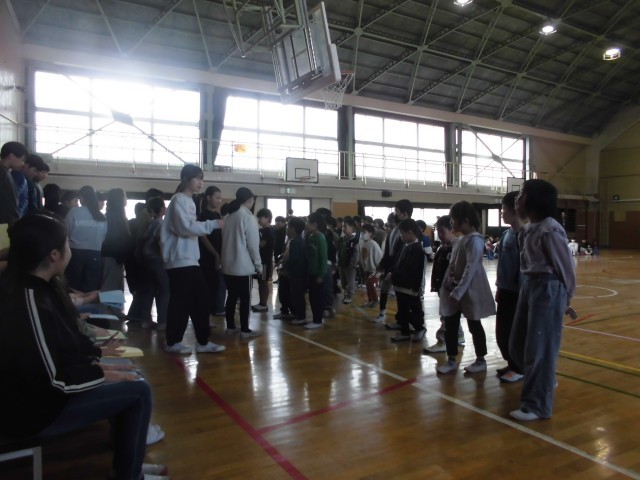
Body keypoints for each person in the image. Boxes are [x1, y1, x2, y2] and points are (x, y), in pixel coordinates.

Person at [0, 214, 168, 480]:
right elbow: (51, 382)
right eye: (68, 243)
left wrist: (97, 355)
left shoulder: (40, 287)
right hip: (33, 412)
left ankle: (128, 460)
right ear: (54, 255)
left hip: (42, 396)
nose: (71, 249)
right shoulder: (29, 301)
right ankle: (129, 473)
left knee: (129, 373)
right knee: (139, 390)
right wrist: (100, 373)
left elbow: (64, 346)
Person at [509, 179, 575, 421]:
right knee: (516, 345)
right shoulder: (528, 229)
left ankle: (537, 406)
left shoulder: (550, 229)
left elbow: (565, 267)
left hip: (548, 288)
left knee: (539, 349)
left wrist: (566, 298)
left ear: (534, 199)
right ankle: (545, 379)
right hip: (530, 286)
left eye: (522, 194)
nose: (517, 199)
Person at [161, 164, 225, 354]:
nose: (200, 182)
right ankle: (173, 342)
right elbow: (185, 228)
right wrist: (214, 224)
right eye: (197, 178)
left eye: (202, 179)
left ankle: (203, 342)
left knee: (202, 299)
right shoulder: (178, 200)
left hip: (190, 259)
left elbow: (190, 228)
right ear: (185, 179)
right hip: (179, 260)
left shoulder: (189, 201)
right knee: (181, 302)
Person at [436, 201, 495, 375]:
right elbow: (453, 264)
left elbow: (471, 269)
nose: (451, 223)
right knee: (451, 324)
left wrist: (459, 291)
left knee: (474, 324)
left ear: (466, 221)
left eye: (453, 219)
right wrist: (449, 281)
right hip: (455, 288)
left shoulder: (475, 241)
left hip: (470, 290)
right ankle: (451, 359)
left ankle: (481, 360)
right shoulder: (461, 240)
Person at [221, 187, 262, 339]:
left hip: (228, 265)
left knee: (231, 297)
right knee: (245, 299)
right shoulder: (248, 217)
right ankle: (245, 330)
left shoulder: (229, 216)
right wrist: (258, 265)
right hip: (242, 267)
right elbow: (253, 245)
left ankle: (230, 327)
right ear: (250, 200)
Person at [422, 215, 465, 354]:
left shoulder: (457, 247)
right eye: (438, 231)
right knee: (450, 314)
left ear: (452, 230)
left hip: (451, 287)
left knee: (446, 315)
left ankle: (443, 340)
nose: (439, 235)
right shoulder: (443, 247)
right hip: (443, 286)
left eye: (442, 231)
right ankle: (458, 335)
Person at [494, 191, 524, 383]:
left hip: (518, 293)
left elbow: (524, 268)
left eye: (504, 209)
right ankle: (512, 363)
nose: (502, 213)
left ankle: (519, 367)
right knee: (502, 332)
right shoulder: (506, 235)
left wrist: (522, 293)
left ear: (515, 210)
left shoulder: (525, 236)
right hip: (505, 291)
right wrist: (499, 287)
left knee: (516, 333)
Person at [389, 219, 428, 343]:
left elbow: (413, 270)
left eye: (402, 233)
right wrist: (392, 273)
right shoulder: (405, 246)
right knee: (402, 310)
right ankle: (404, 332)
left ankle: (419, 328)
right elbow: (399, 263)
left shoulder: (417, 249)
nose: (401, 236)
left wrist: (414, 287)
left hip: (409, 286)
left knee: (410, 310)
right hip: (400, 284)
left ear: (410, 233)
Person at [65, 185, 107, 292]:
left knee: (73, 285)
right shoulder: (101, 216)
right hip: (95, 253)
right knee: (90, 286)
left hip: (75, 253)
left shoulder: (74, 212)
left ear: (82, 198)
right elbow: (103, 236)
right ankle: (87, 303)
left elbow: (65, 232)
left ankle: (73, 303)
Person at [377, 200, 412, 326]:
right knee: (386, 289)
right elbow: (389, 251)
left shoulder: (410, 229)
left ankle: (406, 321)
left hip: (401, 266)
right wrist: (383, 265)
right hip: (392, 265)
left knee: (403, 295)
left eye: (397, 211)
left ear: (405, 213)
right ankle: (387, 314)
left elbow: (405, 252)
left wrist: (395, 268)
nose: (395, 213)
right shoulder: (393, 231)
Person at [138, 197, 169, 330]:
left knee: (149, 290)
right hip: (157, 260)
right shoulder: (162, 224)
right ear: (162, 209)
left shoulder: (149, 224)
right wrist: (165, 260)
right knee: (164, 290)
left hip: (147, 260)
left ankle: (145, 321)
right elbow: (161, 242)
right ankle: (163, 322)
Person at [198, 186, 226, 316]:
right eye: (217, 198)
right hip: (207, 256)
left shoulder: (216, 215)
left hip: (217, 254)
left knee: (216, 284)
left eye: (220, 198)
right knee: (208, 285)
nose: (219, 201)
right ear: (208, 198)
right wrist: (215, 254)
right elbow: (203, 237)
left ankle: (215, 309)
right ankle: (206, 313)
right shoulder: (204, 215)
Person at [101, 188, 133, 291]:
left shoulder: (109, 216)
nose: (126, 199)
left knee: (111, 286)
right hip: (113, 257)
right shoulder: (116, 218)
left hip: (112, 257)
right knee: (110, 287)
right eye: (125, 196)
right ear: (119, 199)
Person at [303, 212, 328, 329]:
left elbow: (323, 257)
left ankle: (317, 321)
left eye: (308, 222)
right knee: (312, 297)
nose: (307, 225)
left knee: (317, 298)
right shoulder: (310, 236)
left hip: (318, 273)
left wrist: (321, 274)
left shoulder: (320, 238)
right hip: (311, 272)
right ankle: (316, 318)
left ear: (315, 224)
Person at [285, 217, 308, 325]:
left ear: (293, 228)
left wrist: (285, 262)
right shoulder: (300, 240)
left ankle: (301, 316)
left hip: (297, 273)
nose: (287, 229)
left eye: (288, 227)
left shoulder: (295, 242)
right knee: (297, 295)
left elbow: (293, 259)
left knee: (297, 295)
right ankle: (298, 315)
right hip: (300, 273)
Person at [0, 141, 28, 226]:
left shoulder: (7, 172)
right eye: (22, 160)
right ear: (11, 156)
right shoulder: (2, 173)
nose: (23, 164)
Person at [252, 208, 274, 312]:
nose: (259, 220)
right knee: (261, 282)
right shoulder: (262, 230)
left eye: (261, 218)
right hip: (262, 261)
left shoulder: (268, 231)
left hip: (265, 262)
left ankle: (264, 304)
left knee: (263, 283)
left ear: (268, 218)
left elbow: (260, 245)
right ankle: (262, 303)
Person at [359, 223, 382, 308]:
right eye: (361, 232)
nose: (362, 234)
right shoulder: (361, 243)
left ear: (370, 233)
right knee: (368, 285)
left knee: (371, 283)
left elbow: (379, 257)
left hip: (374, 269)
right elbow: (361, 256)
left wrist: (378, 271)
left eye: (364, 232)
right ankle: (370, 300)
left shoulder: (374, 244)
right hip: (367, 269)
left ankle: (375, 300)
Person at [337, 216, 359, 304]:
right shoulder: (342, 239)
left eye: (345, 226)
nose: (343, 228)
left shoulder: (355, 240)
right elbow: (339, 250)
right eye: (342, 226)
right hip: (341, 263)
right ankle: (346, 294)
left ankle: (349, 295)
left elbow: (356, 253)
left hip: (350, 265)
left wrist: (353, 263)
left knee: (350, 281)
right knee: (343, 282)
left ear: (352, 227)